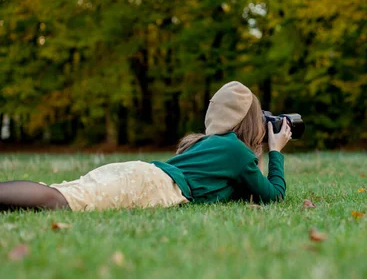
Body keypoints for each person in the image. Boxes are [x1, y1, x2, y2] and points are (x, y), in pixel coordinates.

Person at [0, 81, 292, 211]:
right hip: (150, 185)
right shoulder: (237, 153)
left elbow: (248, 193)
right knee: (60, 200)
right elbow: (273, 196)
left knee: (60, 192)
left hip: (141, 174)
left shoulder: (212, 145)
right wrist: (276, 150)